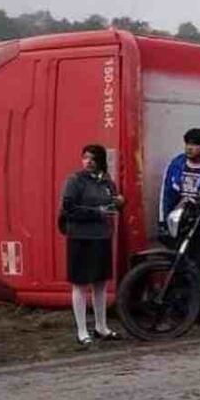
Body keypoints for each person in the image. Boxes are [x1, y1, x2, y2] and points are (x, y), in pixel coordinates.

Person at [61, 144, 123, 345]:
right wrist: (97, 212)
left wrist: (120, 203)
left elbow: (113, 206)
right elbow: (69, 208)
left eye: (93, 158)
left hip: (101, 237)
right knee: (80, 284)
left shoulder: (107, 182)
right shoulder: (75, 180)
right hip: (80, 237)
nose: (88, 161)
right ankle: (82, 331)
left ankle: (101, 326)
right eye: (85, 157)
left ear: (101, 161)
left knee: (100, 283)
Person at [159, 128, 200, 299]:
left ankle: (198, 301)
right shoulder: (176, 164)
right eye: (187, 143)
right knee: (178, 262)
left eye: (194, 144)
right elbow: (166, 194)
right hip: (180, 221)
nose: (189, 147)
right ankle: (179, 301)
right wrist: (163, 221)